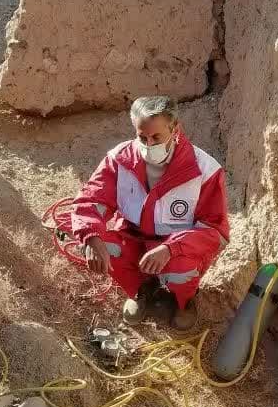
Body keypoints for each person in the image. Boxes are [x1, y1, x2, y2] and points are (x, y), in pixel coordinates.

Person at [70, 96, 229, 331]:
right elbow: (91, 200)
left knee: (181, 271)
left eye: (156, 137)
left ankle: (183, 301)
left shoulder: (205, 170)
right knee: (101, 245)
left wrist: (170, 248)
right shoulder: (119, 159)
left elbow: (215, 231)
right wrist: (91, 238)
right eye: (142, 137)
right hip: (134, 239)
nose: (149, 144)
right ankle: (142, 289)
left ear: (174, 129)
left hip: (178, 248)